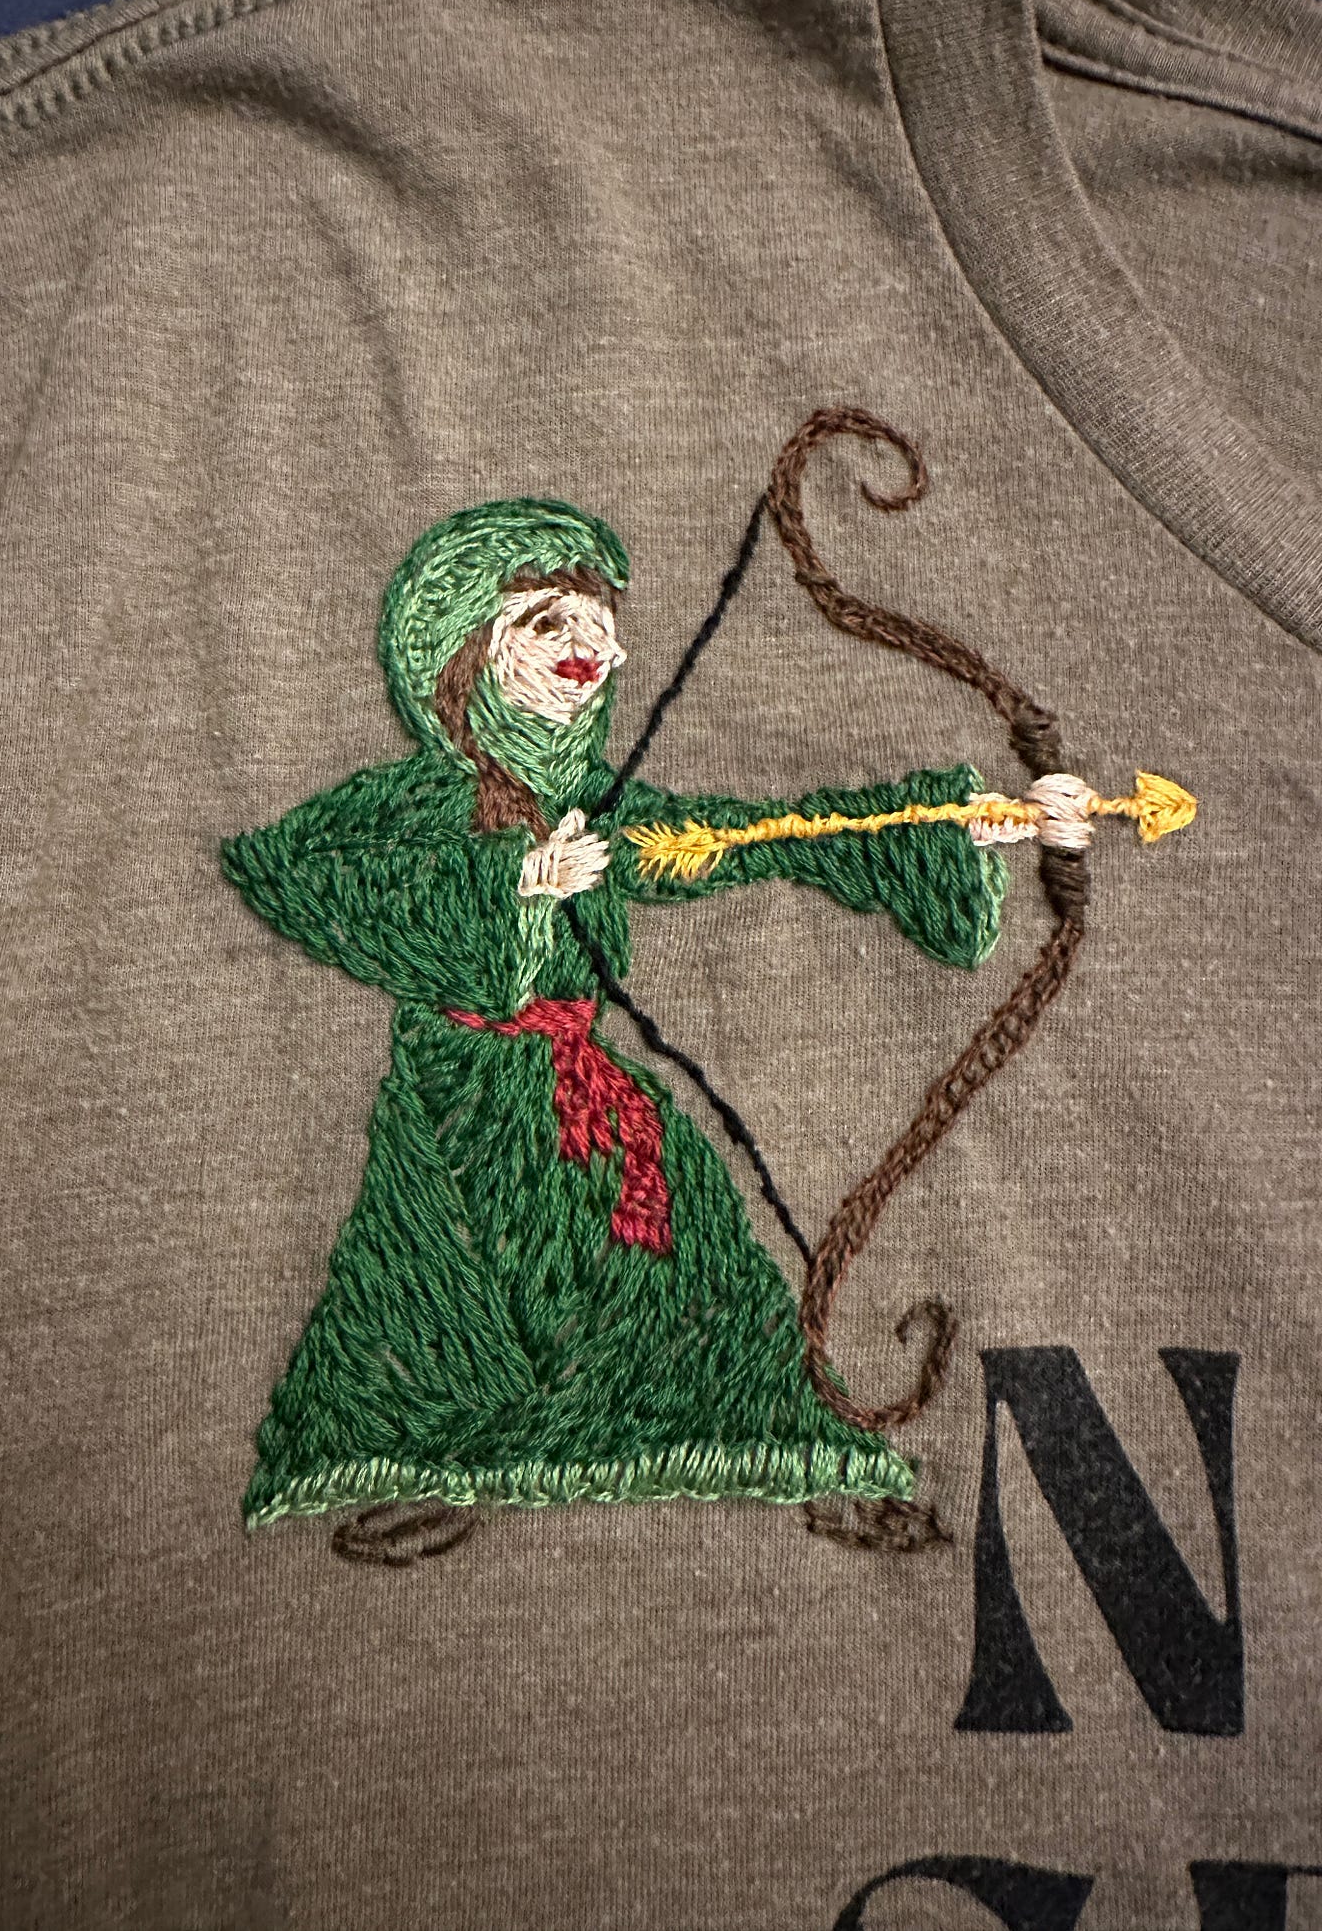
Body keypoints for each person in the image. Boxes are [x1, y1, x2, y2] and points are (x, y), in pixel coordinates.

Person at [222, 497, 1008, 1535]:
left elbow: (748, 836)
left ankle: (807, 1459)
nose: (591, 647)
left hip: (579, 1090)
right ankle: (444, 1470)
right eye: (549, 621)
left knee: (693, 1246)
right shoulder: (413, 800)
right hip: (461, 1101)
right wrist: (511, 882)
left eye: (598, 624)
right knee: (444, 1294)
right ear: (464, 657)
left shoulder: (600, 801)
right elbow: (288, 870)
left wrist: (932, 825)